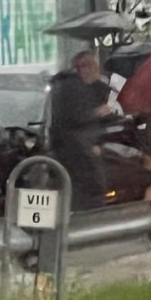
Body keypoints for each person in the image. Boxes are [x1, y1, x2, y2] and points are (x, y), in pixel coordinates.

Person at [49, 51, 111, 211]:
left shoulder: (70, 85)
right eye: (94, 66)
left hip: (72, 151)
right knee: (89, 195)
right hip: (80, 152)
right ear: (85, 68)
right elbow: (76, 118)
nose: (97, 70)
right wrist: (97, 113)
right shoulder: (73, 88)